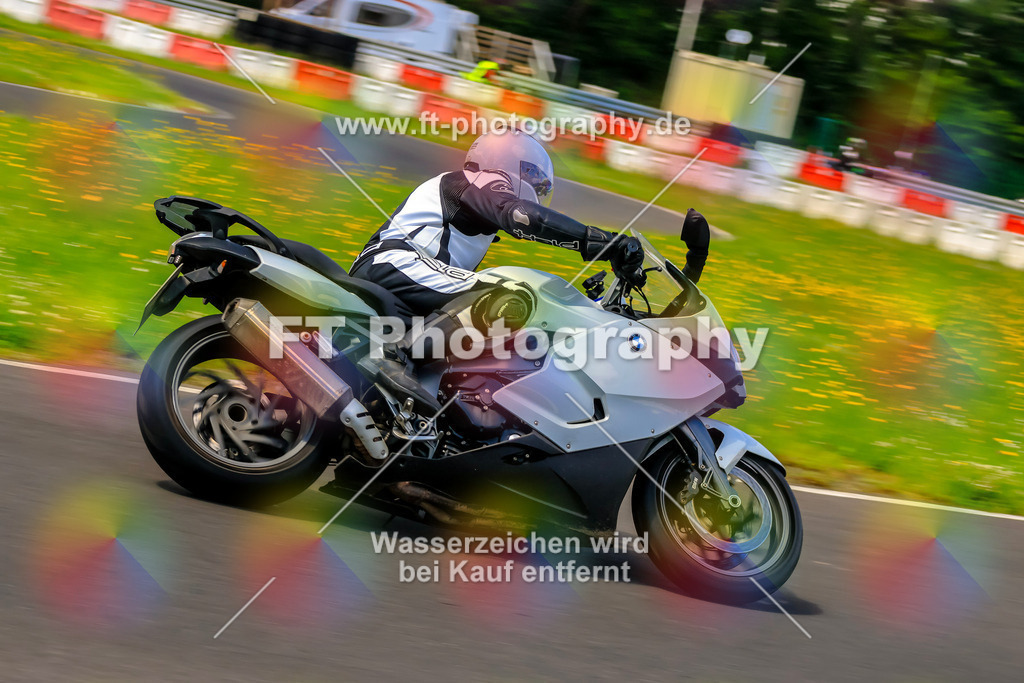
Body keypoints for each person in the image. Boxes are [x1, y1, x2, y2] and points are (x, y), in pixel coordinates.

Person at [349, 130, 644, 413]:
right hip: (395, 262)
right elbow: (521, 217)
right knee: (507, 291)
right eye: (532, 175)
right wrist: (603, 242)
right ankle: (392, 357)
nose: (538, 188)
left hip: (403, 273)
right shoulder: (479, 180)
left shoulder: (474, 200)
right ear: (507, 164)